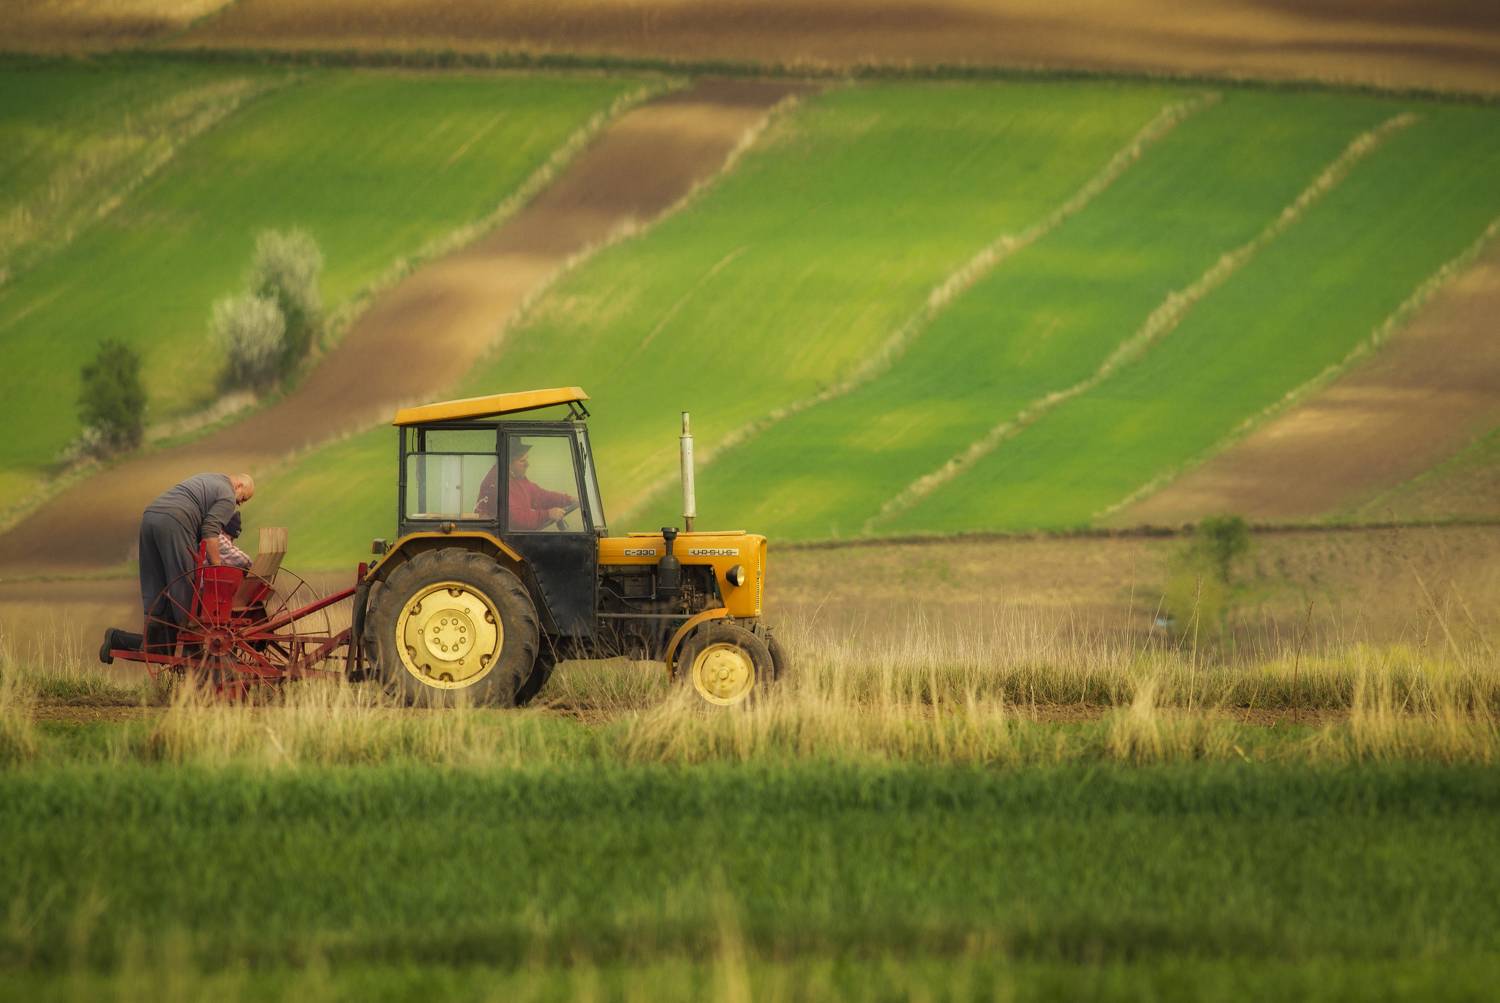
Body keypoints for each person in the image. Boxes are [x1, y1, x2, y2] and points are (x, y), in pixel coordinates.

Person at [100, 472, 255, 662]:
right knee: (184, 582)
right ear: (239, 486)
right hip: (175, 520)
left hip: (150, 517)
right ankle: (192, 644)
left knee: (156, 586)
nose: (238, 504)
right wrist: (217, 567)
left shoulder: (210, 479)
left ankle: (150, 643)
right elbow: (210, 531)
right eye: (243, 499)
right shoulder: (227, 495)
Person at [475, 444, 575, 530]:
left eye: (527, 459)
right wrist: (547, 515)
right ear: (508, 463)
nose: (528, 464)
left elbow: (540, 496)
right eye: (522, 461)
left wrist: (568, 499)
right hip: (500, 536)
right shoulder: (498, 482)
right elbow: (514, 519)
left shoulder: (515, 477)